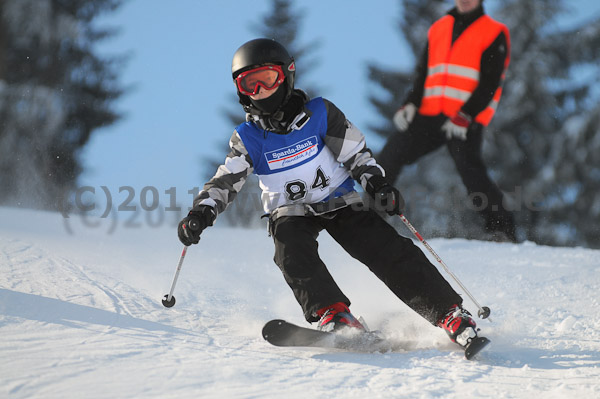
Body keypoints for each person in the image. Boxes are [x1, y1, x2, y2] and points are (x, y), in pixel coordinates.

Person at [177, 38, 481, 349]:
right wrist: (202, 212)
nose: (260, 92)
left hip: (340, 201)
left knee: (386, 248)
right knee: (290, 251)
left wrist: (376, 183)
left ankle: (449, 314)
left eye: (267, 80)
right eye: (249, 85)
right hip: (290, 211)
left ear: (286, 75)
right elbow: (225, 181)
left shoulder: (320, 114)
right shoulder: (249, 137)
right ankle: (333, 313)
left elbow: (356, 154)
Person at [378, 0, 516, 242]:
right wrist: (410, 103)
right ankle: (370, 218)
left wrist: (466, 115)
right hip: (428, 114)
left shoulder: (494, 31)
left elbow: (490, 83)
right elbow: (423, 72)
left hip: (463, 118)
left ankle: (501, 230)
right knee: (390, 156)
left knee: (470, 170)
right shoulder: (439, 28)